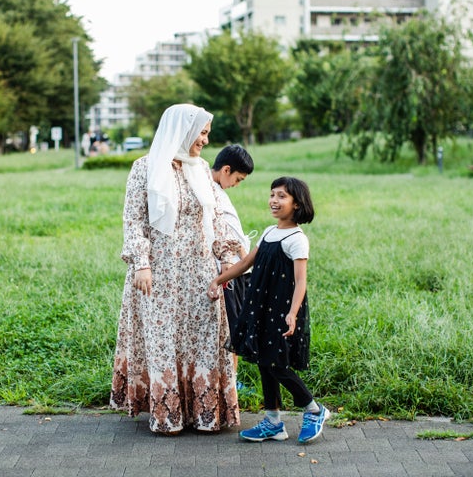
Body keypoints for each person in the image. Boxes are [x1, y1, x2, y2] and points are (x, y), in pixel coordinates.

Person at [110, 103, 241, 435]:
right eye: (202, 132)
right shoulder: (145, 167)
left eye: (208, 133)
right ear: (182, 129)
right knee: (165, 341)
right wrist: (141, 264)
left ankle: (204, 414)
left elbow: (218, 218)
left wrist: (226, 260)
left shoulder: (201, 169)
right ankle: (168, 416)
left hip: (200, 275)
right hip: (160, 276)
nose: (205, 140)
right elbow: (133, 220)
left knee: (203, 341)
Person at [207, 176, 329, 444]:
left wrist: (293, 313)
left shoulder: (297, 239)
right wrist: (219, 279)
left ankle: (314, 409)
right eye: (272, 194)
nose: (274, 201)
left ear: (297, 204)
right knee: (264, 362)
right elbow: (247, 262)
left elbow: (301, 282)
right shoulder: (268, 232)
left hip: (281, 311)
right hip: (260, 308)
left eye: (282, 196)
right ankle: (273, 422)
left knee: (277, 364)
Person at [210, 145, 255, 371]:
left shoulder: (217, 191)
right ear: (226, 170)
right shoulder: (210, 192)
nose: (237, 185)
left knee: (235, 326)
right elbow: (229, 236)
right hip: (227, 269)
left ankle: (231, 379)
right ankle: (231, 380)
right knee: (231, 327)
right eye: (238, 179)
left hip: (237, 268)